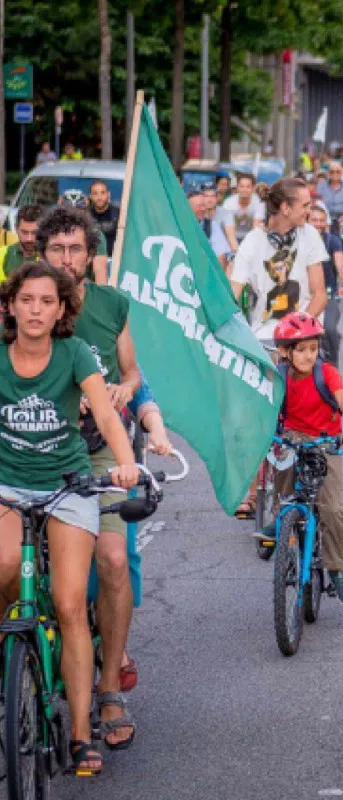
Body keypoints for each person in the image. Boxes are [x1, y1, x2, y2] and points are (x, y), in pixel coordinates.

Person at [0, 260, 139, 776]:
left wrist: (124, 462)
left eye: (46, 301)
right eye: (26, 300)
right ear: (11, 305)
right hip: (8, 485)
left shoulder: (75, 352)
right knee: (5, 568)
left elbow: (104, 414)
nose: (35, 310)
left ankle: (80, 732)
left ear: (61, 310)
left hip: (66, 486)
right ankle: (13, 676)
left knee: (68, 604)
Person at [38, 208, 148, 751]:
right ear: (42, 254)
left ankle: (108, 690)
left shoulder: (111, 304)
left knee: (110, 559)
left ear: (90, 254)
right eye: (56, 249)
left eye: (75, 249)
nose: (66, 258)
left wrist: (123, 390)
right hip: (35, 453)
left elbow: (131, 370)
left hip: (101, 452)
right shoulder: (28, 305)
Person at [269, 313, 343, 605]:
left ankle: (336, 569)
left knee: (333, 509)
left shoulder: (326, 373)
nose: (308, 356)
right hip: (293, 435)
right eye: (301, 350)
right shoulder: (280, 375)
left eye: (313, 349)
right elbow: (266, 405)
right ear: (285, 352)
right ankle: (280, 521)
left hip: (327, 440)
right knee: (284, 482)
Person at [229, 178, 329, 343]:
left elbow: (320, 295)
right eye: (304, 205)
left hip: (303, 336)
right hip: (265, 337)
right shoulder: (252, 242)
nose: (309, 211)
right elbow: (233, 291)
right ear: (285, 208)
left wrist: (298, 332)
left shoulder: (310, 234)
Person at [309, 206, 343, 360]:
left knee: (330, 329)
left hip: (328, 294)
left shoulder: (332, 240)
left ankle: (332, 368)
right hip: (303, 295)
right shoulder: (300, 240)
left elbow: (340, 263)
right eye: (314, 220)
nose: (318, 224)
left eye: (322, 221)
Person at [223, 172, 268, 253]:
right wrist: (237, 252)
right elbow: (229, 232)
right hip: (231, 238)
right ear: (237, 187)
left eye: (248, 187)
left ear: (253, 188)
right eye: (242, 186)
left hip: (250, 238)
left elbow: (256, 227)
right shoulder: (228, 203)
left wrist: (250, 250)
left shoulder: (259, 203)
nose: (244, 190)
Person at [0, 204, 46, 281]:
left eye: (34, 232)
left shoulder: (50, 256)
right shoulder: (2, 254)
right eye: (24, 232)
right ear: (16, 228)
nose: (29, 239)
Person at [88, 180, 119, 245]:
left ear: (108, 194)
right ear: (90, 196)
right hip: (92, 255)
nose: (99, 197)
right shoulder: (85, 216)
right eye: (95, 193)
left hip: (114, 255)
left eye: (103, 193)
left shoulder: (119, 214)